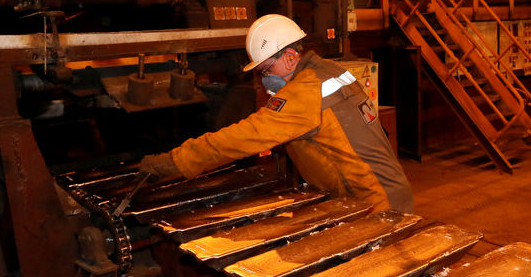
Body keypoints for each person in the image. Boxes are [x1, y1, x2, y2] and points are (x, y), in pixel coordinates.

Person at [138, 14, 413, 213]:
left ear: (291, 57)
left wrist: (175, 162)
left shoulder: (305, 90)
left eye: (266, 70)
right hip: (392, 189)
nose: (264, 78)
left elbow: (242, 138)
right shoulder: (331, 69)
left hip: (375, 205)